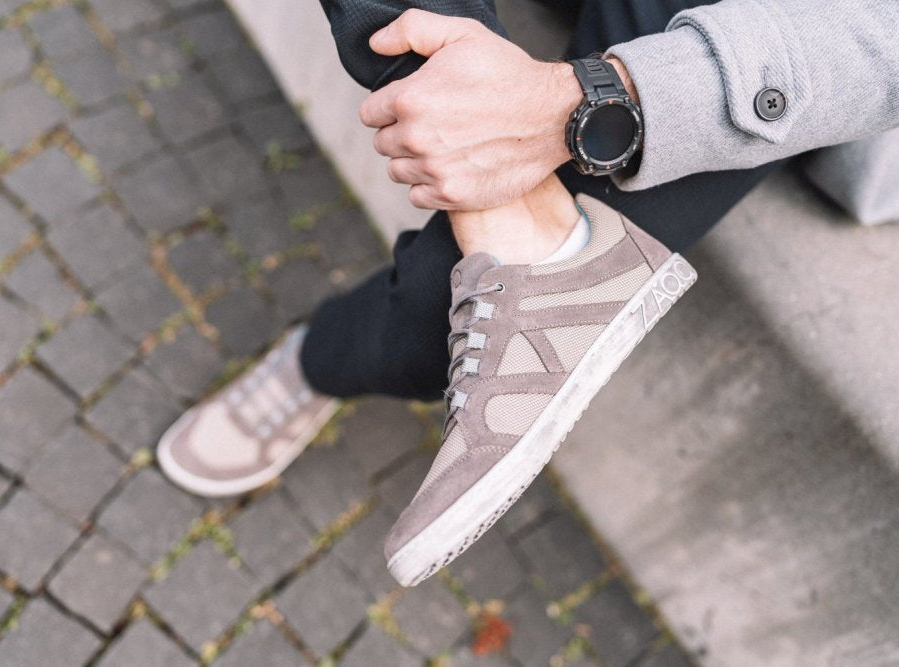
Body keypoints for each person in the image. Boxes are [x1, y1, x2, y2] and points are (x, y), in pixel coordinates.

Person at [157, 0, 899, 586]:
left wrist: (595, 99)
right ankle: (523, 229)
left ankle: (317, 360)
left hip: (771, 26)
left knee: (437, 312)